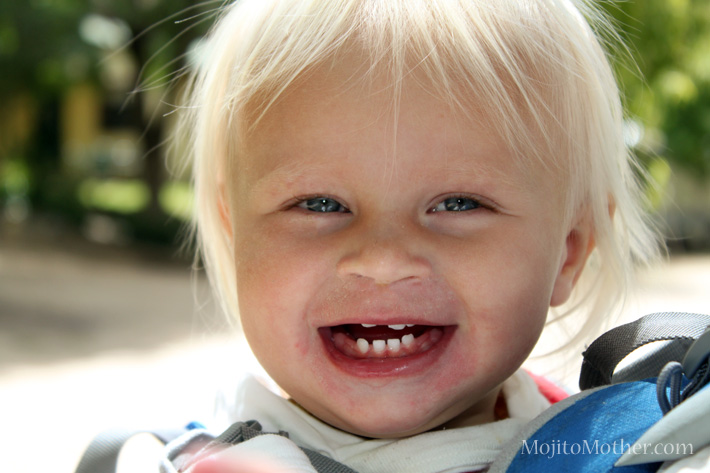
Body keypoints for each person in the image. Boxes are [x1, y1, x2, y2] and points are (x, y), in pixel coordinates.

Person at [174, 0, 661, 471]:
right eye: (319, 204)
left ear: (568, 253)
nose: (383, 259)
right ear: (235, 231)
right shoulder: (201, 458)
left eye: (458, 204)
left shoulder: (623, 446)